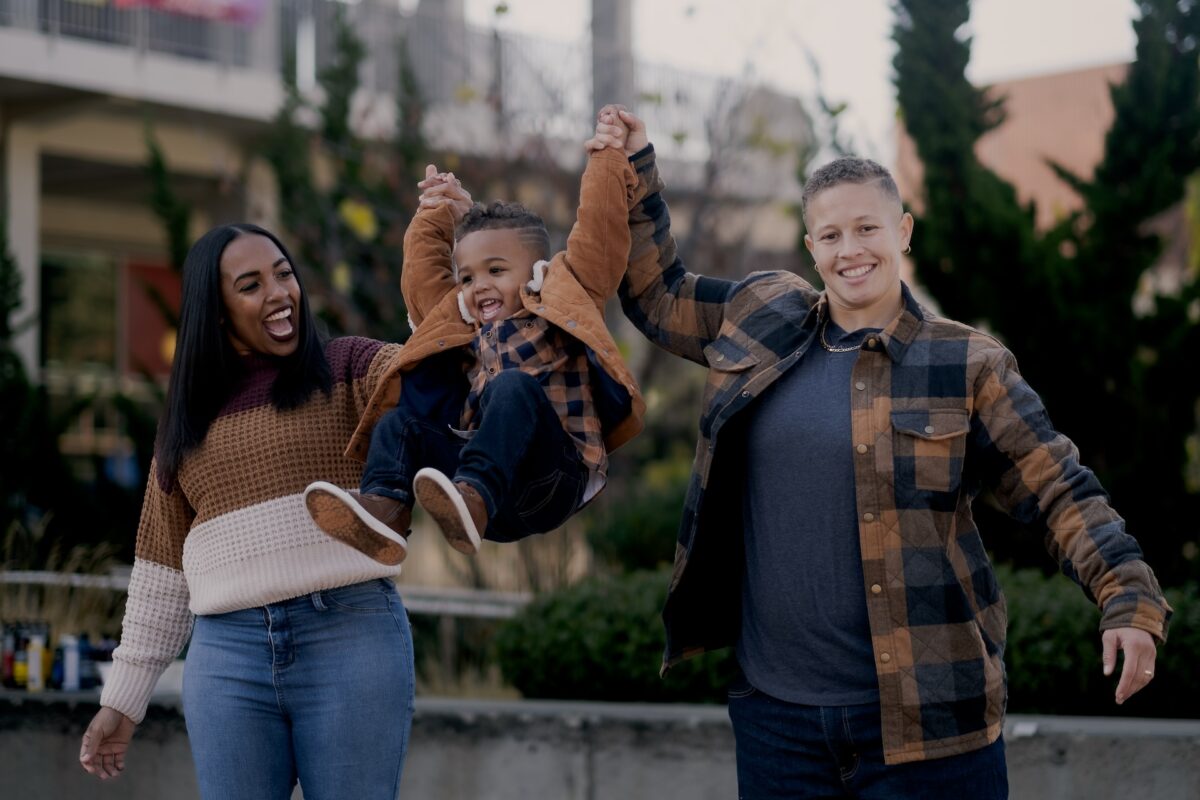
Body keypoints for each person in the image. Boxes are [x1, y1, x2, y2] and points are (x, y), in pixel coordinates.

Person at [601, 106, 1171, 798]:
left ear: (901, 231)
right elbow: (658, 295)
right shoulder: (760, 316)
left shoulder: (966, 362)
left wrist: (1128, 598)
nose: (851, 250)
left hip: (930, 727)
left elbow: (1060, 489)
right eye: (832, 234)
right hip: (777, 722)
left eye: (867, 228)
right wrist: (635, 163)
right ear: (811, 245)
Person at [78, 224, 416, 800]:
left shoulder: (348, 367)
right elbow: (161, 570)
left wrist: (442, 254)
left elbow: (430, 370)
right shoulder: (186, 419)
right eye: (251, 285)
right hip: (227, 658)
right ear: (217, 311)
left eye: (284, 274)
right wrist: (123, 701)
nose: (279, 293)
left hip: (349, 637)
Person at [304, 118, 644, 558]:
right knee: (398, 422)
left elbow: (599, 235)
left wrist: (608, 158)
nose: (478, 285)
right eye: (467, 276)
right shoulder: (461, 321)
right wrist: (434, 214)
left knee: (511, 387)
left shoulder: (563, 292)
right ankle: (386, 510)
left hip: (550, 477)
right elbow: (423, 280)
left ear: (536, 269)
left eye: (496, 271)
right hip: (481, 488)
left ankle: (473, 494)